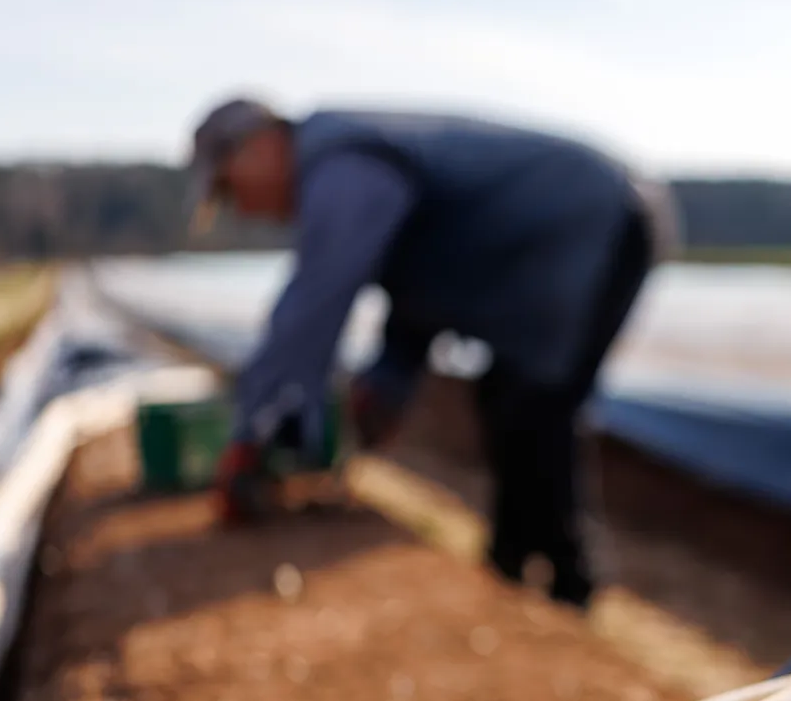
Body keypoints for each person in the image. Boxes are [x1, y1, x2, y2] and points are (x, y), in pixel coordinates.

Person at [187, 96, 673, 607]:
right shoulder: (348, 162)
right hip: (571, 235)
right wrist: (386, 387)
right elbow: (418, 300)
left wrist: (248, 432)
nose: (241, 208)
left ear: (259, 147)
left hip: (597, 222)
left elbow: (316, 301)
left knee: (537, 401)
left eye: (228, 188)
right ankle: (513, 564)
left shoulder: (341, 166)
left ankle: (569, 583)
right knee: (511, 396)